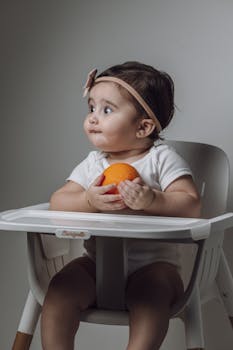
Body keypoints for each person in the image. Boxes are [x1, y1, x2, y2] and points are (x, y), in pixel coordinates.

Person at [41, 61, 201, 350]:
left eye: (106, 110)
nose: (92, 118)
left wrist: (154, 199)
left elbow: (191, 204)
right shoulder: (94, 164)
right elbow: (58, 201)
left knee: (152, 297)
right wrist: (88, 200)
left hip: (156, 268)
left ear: (143, 127)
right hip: (97, 266)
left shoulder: (161, 159)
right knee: (60, 289)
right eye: (91, 108)